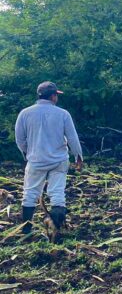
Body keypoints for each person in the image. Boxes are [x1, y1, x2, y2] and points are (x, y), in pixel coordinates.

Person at [14, 81, 83, 234]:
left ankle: (26, 229)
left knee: (30, 193)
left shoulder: (25, 113)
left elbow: (20, 139)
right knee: (57, 193)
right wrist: (78, 156)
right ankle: (56, 228)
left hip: (36, 160)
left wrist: (27, 153)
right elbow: (72, 138)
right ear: (53, 96)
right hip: (59, 160)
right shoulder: (63, 114)